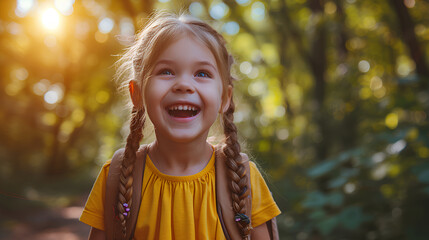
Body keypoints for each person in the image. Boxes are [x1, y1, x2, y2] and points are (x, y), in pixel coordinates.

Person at [79, 11, 281, 239]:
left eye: (202, 73)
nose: (184, 85)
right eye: (166, 71)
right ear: (137, 94)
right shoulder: (115, 178)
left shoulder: (245, 181)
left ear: (225, 98)